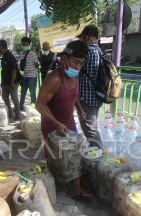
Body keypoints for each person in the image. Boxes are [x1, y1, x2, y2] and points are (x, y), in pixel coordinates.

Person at [36, 40, 89, 200]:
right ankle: (53, 187)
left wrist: (79, 108)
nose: (78, 66)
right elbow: (39, 104)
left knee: (75, 156)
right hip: (52, 127)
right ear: (64, 59)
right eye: (76, 62)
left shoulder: (75, 76)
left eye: (81, 63)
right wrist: (56, 124)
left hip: (69, 123)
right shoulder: (54, 78)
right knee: (54, 158)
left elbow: (73, 95)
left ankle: (76, 190)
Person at [78, 25, 103, 148]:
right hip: (97, 95)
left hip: (87, 96)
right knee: (92, 126)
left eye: (81, 38)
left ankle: (99, 156)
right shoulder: (99, 50)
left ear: (85, 37)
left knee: (89, 128)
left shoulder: (88, 51)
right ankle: (95, 151)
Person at [0, 39, 21, 120]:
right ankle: (10, 113)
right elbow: (4, 71)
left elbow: (14, 70)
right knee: (4, 97)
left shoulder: (10, 56)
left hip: (12, 82)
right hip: (5, 83)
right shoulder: (3, 56)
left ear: (2, 46)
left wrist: (12, 82)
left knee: (14, 99)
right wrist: (2, 82)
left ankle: (18, 116)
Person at [19, 36, 39, 111]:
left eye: (26, 44)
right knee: (23, 92)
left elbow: (36, 65)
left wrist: (35, 65)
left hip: (32, 76)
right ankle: (20, 107)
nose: (24, 46)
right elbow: (21, 65)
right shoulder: (20, 53)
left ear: (29, 45)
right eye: (23, 44)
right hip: (25, 76)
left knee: (32, 93)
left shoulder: (33, 54)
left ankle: (33, 108)